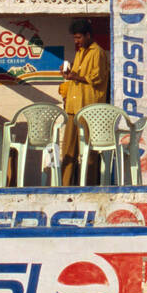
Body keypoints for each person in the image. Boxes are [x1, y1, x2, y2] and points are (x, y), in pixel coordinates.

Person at [58, 18, 109, 186]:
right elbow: (78, 75)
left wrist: (75, 76)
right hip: (73, 107)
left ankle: (89, 185)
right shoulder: (80, 52)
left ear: (88, 35)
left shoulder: (98, 52)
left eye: (79, 37)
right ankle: (65, 185)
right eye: (75, 38)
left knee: (88, 151)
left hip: (88, 108)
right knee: (68, 150)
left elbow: (98, 77)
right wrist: (69, 72)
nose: (76, 41)